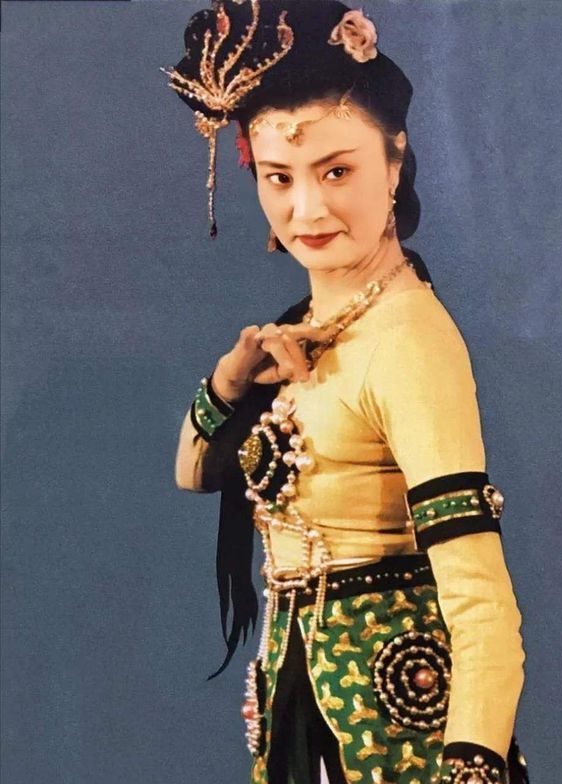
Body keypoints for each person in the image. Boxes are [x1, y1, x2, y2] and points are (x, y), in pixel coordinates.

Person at [163, 2, 530, 782]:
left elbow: (481, 599)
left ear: (394, 163)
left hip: (396, 729)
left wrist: (472, 764)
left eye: (337, 171)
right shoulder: (307, 329)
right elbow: (194, 472)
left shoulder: (408, 341)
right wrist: (229, 383)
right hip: (301, 702)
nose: (308, 210)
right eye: (279, 178)